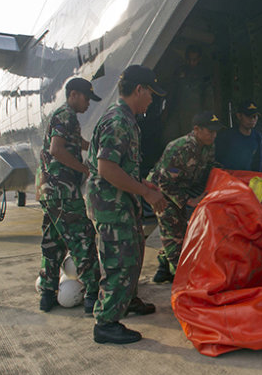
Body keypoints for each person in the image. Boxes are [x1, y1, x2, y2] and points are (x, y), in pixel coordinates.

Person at [85, 65, 168, 344]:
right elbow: (107, 169)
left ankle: (126, 301)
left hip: (121, 202)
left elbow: (122, 167)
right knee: (118, 262)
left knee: (131, 254)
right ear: (139, 90)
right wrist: (146, 193)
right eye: (151, 94)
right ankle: (106, 323)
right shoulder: (118, 121)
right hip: (111, 205)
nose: (152, 100)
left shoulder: (127, 119)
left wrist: (144, 185)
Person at [36, 78, 102, 313]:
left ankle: (47, 293)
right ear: (73, 94)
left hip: (49, 191)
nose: (87, 105)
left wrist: (92, 146)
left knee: (52, 242)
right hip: (63, 191)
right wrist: (86, 169)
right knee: (83, 238)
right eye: (86, 99)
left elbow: (76, 142)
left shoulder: (64, 117)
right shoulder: (66, 115)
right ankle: (93, 295)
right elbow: (56, 149)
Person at [147, 111, 222, 283]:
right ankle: (181, 278)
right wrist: (189, 200)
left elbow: (208, 167)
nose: (214, 135)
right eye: (210, 131)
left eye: (215, 131)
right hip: (161, 193)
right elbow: (164, 183)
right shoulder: (178, 148)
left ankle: (164, 266)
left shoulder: (208, 146)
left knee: (178, 231)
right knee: (175, 233)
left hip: (181, 189)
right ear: (197, 129)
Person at [214, 99, 262, 173]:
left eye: (255, 116)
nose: (252, 119)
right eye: (248, 116)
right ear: (239, 116)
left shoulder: (257, 137)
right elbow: (218, 161)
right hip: (229, 179)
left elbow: (257, 162)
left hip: (247, 179)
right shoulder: (226, 136)